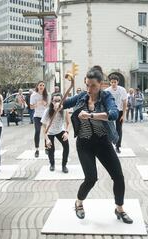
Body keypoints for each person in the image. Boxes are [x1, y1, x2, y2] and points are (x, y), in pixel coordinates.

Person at [63, 69, 133, 224]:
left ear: (101, 84)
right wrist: (56, 103)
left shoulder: (106, 96)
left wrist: (91, 115)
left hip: (102, 142)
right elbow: (64, 103)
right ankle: (79, 203)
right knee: (91, 178)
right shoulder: (82, 96)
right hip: (84, 143)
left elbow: (113, 114)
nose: (89, 89)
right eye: (87, 85)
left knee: (119, 177)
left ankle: (119, 208)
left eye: (93, 86)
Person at [41, 93, 70, 173]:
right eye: (55, 101)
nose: (57, 102)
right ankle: (52, 164)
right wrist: (46, 139)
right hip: (50, 132)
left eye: (59, 100)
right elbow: (43, 126)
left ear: (62, 101)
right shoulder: (48, 111)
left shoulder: (64, 110)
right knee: (51, 149)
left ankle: (64, 165)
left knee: (66, 147)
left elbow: (68, 123)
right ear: (52, 102)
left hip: (60, 130)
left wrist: (66, 132)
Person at [105, 74, 127, 153]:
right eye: (112, 82)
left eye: (115, 82)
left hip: (119, 111)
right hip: (110, 111)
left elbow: (125, 103)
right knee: (110, 129)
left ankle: (118, 146)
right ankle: (109, 145)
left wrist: (123, 115)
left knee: (119, 129)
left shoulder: (122, 90)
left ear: (118, 82)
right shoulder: (107, 91)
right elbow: (104, 103)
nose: (113, 84)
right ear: (110, 82)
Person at [30, 81, 48, 157]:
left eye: (43, 85)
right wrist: (37, 103)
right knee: (37, 131)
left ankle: (46, 147)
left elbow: (49, 105)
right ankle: (37, 149)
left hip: (45, 116)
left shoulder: (47, 95)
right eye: (40, 85)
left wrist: (46, 104)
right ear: (37, 86)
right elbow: (31, 107)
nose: (41, 87)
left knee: (46, 132)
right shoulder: (34, 95)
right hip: (37, 116)